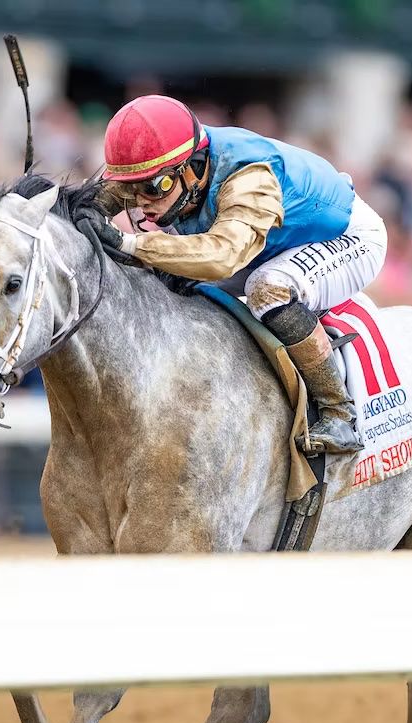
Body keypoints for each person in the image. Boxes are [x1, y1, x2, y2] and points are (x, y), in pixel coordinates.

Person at [87, 95, 388, 455]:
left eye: (153, 188)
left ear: (193, 168)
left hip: (345, 236)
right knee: (171, 275)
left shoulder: (248, 178)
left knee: (268, 289)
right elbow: (104, 196)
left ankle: (338, 410)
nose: (142, 202)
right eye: (131, 190)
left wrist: (129, 242)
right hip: (267, 245)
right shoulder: (175, 164)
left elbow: (224, 257)